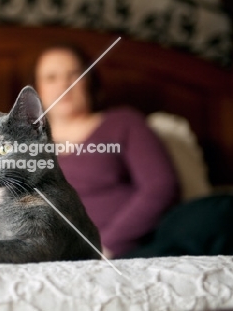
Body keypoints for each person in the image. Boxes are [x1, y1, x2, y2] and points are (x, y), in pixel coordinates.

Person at [34, 43, 179, 258]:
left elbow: (161, 186)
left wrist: (106, 246)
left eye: (74, 74)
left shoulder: (123, 122)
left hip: (143, 243)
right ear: (37, 90)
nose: (63, 84)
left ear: (88, 81)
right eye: (51, 77)